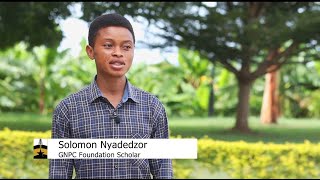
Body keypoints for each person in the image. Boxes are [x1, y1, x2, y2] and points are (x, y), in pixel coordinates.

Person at [49, 13, 173, 179]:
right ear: (90, 51)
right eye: (108, 45)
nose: (118, 53)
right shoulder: (68, 110)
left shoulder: (152, 107)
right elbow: (59, 173)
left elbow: (163, 172)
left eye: (126, 47)